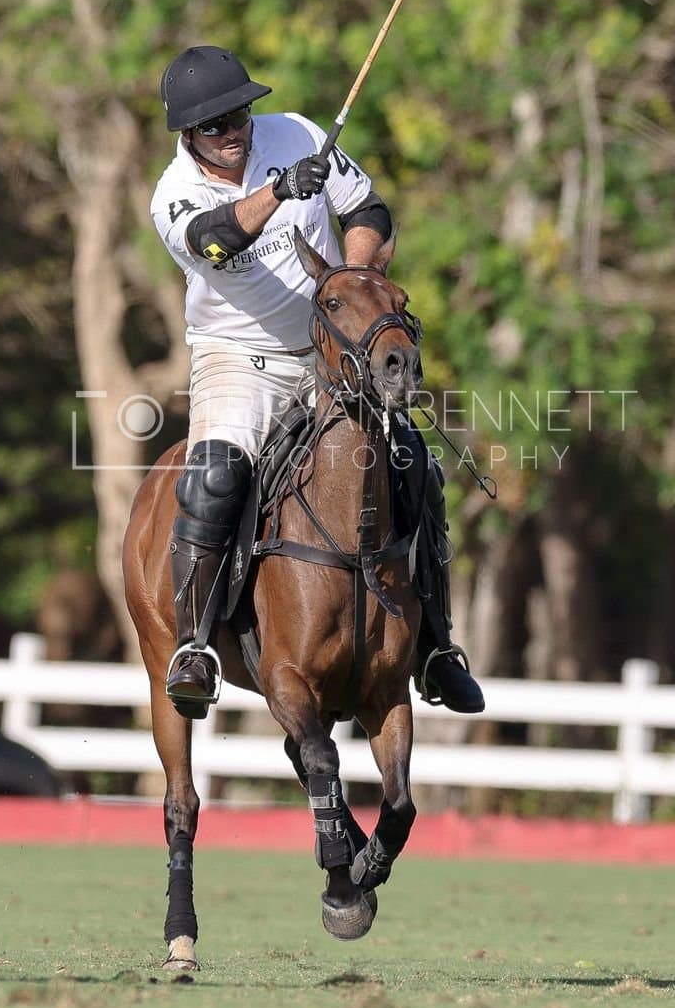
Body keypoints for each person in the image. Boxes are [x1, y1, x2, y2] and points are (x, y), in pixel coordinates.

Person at [150, 45, 484, 719]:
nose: (234, 128)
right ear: (189, 136)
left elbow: (369, 212)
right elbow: (218, 241)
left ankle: (439, 650)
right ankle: (194, 647)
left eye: (241, 112)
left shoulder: (297, 134)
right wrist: (279, 190)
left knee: (417, 469)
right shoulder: (174, 196)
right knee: (214, 479)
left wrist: (347, 281)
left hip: (331, 351)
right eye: (215, 124)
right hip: (237, 357)